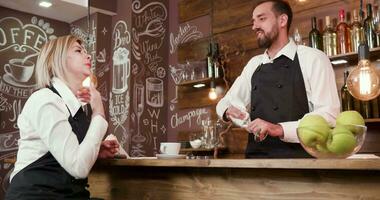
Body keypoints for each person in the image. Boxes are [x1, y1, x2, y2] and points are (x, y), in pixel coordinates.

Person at [216, 0, 340, 158]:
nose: (254, 27)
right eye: (253, 21)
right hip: (255, 163)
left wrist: (279, 129)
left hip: (301, 164)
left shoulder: (313, 59)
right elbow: (224, 103)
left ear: (282, 20)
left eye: (261, 19)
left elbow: (329, 115)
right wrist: (228, 111)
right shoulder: (254, 64)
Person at [5, 35, 119, 199]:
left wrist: (95, 149)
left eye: (86, 51)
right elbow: (78, 167)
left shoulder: (76, 110)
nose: (88, 56)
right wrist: (99, 113)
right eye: (78, 51)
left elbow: (72, 156)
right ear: (57, 60)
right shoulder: (45, 99)